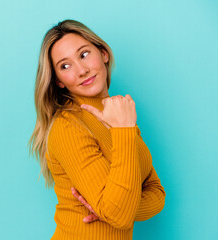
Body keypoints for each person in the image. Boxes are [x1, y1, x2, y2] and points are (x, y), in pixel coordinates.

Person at [28, 19, 166, 240]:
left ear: (103, 53)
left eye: (84, 54)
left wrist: (120, 208)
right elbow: (118, 215)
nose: (81, 70)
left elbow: (157, 192)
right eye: (65, 66)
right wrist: (117, 211)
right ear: (59, 81)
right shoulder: (68, 126)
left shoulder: (121, 117)